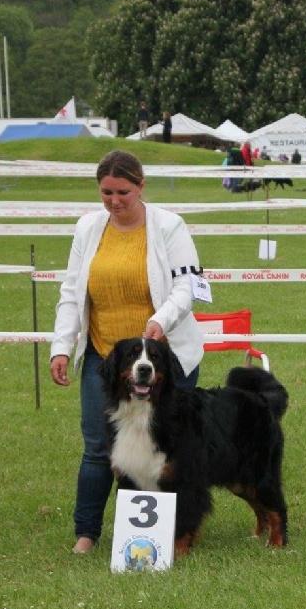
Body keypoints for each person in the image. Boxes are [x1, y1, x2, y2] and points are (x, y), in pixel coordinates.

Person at [49, 149, 205, 554]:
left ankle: (172, 533)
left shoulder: (170, 226)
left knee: (170, 448)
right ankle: (86, 533)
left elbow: (188, 287)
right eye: (106, 193)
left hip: (162, 359)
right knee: (99, 448)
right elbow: (71, 293)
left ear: (141, 186)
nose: (114, 202)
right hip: (107, 358)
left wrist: (161, 320)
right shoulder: (87, 228)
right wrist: (61, 347)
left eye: (123, 192)